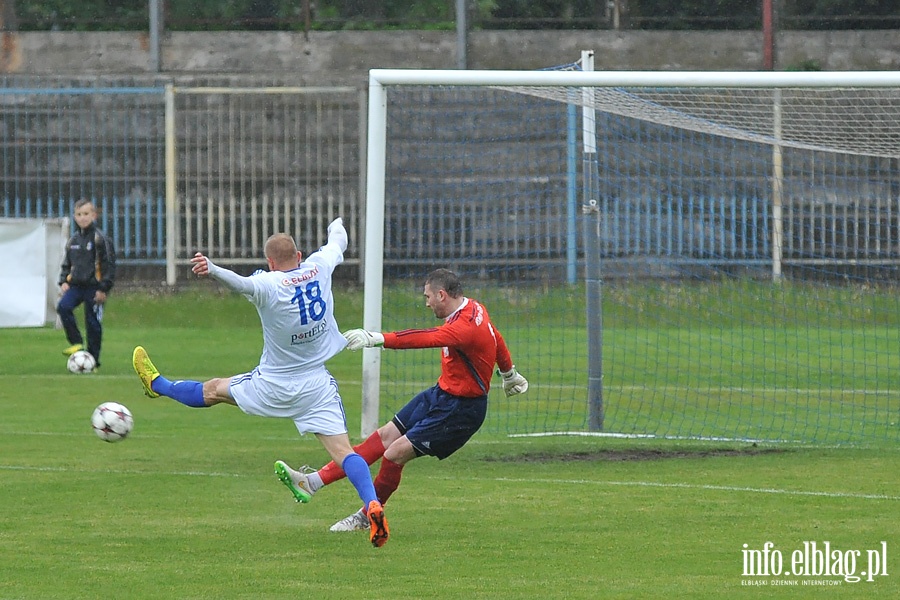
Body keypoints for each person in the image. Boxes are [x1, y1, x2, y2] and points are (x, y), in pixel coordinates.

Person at [131, 218, 389, 548]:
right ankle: (371, 504)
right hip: (316, 385)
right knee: (344, 453)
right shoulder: (319, 266)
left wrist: (211, 269)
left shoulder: (268, 284)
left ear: (269, 262)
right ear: (298, 254)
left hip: (273, 384)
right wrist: (336, 222)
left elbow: (240, 284)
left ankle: (158, 385)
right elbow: (338, 239)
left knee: (213, 390)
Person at [274, 268, 529, 532]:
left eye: (428, 296)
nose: (426, 302)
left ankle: (366, 516)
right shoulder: (474, 309)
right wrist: (509, 373)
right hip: (441, 395)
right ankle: (311, 482)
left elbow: (427, 338)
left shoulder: (463, 328)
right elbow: (495, 335)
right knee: (384, 436)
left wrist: (377, 339)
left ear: (442, 295)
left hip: (461, 411)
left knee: (394, 453)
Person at [57, 198, 117, 369]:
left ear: (94, 215)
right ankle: (76, 342)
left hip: (94, 288)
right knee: (63, 307)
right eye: (79, 214)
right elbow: (67, 264)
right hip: (76, 286)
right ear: (75, 217)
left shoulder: (100, 239)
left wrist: (104, 288)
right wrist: (64, 280)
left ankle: (93, 360)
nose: (82, 218)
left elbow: (109, 265)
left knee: (92, 323)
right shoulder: (73, 240)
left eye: (86, 214)